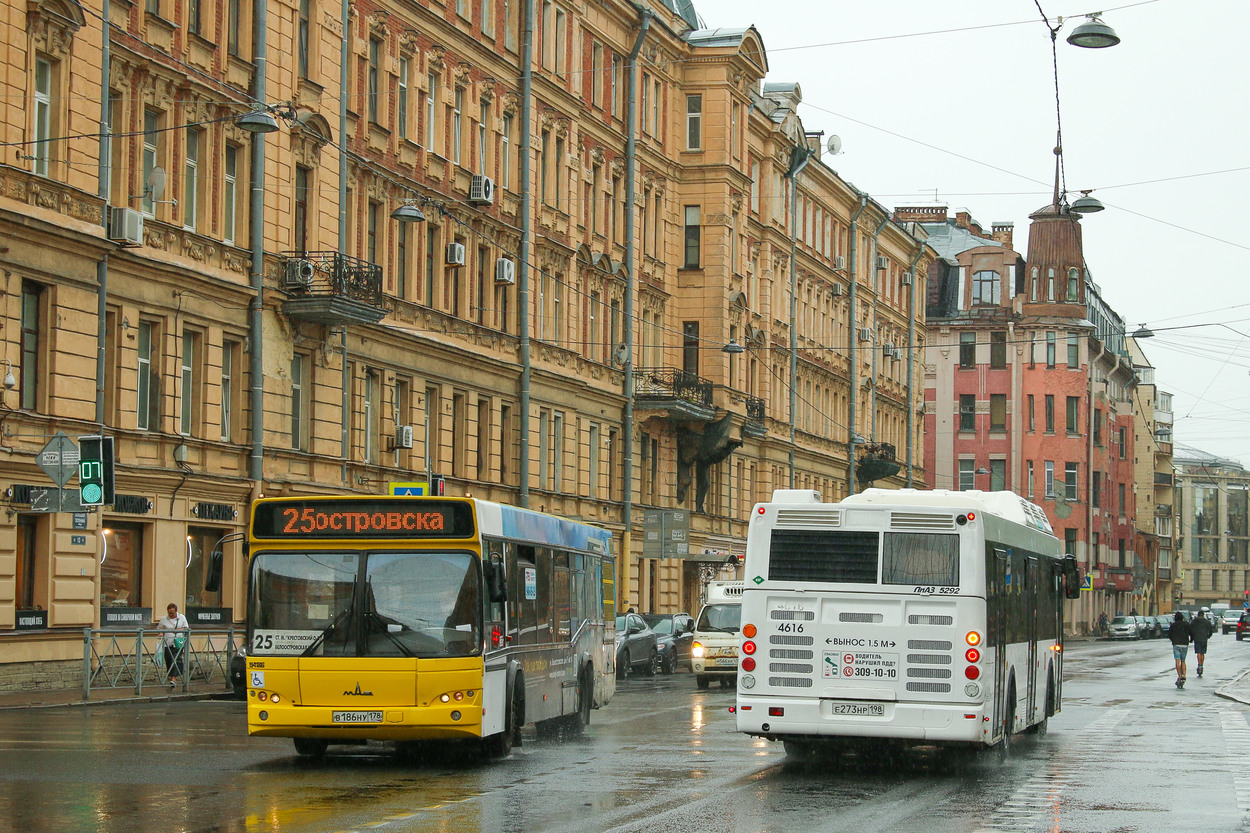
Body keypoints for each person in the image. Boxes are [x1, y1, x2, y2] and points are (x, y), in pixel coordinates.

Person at [158, 603, 189, 689]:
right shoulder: (164, 619)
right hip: (167, 642)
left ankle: (173, 679)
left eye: (172, 613)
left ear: (176, 611)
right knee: (168, 659)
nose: (171, 615)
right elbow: (160, 628)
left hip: (178, 642)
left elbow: (186, 628)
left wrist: (176, 630)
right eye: (169, 613)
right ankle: (171, 675)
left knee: (176, 659)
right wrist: (161, 633)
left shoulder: (181, 617)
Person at [1169, 610, 1192, 688]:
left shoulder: (1173, 625)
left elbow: (1169, 635)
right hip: (1185, 644)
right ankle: (1184, 675)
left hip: (1176, 644)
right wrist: (1191, 639)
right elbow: (1191, 633)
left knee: (1177, 661)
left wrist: (1173, 640)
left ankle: (1180, 676)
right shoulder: (1186, 624)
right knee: (1183, 661)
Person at [1191, 607, 1214, 677]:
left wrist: (1192, 637)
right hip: (1204, 638)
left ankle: (1199, 665)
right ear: (1203, 615)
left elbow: (1191, 629)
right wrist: (1208, 636)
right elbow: (1211, 630)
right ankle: (1201, 665)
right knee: (1202, 653)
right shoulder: (1207, 622)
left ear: (1198, 615)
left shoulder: (1194, 621)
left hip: (1197, 638)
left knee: (1198, 652)